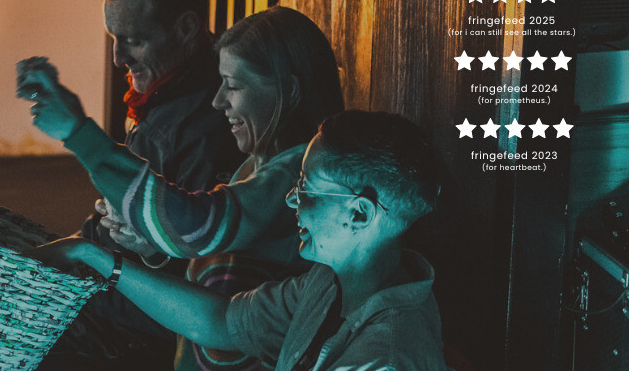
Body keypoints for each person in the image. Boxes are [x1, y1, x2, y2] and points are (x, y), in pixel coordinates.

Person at [21, 5, 343, 370]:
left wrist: (79, 133)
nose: (218, 100)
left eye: (233, 86)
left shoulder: (299, 173)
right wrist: (151, 245)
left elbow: (198, 227)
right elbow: (217, 265)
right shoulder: (255, 167)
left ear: (289, 90)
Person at [35, 110, 448, 371]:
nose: (293, 201)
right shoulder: (329, 286)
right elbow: (221, 321)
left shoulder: (385, 356)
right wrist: (94, 256)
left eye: (308, 191)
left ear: (359, 213)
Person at [17, 0, 244, 370]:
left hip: (126, 329)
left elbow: (197, 267)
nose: (118, 57)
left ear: (186, 27)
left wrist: (76, 132)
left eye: (133, 41)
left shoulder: (212, 125)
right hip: (102, 292)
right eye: (114, 39)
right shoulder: (166, 97)